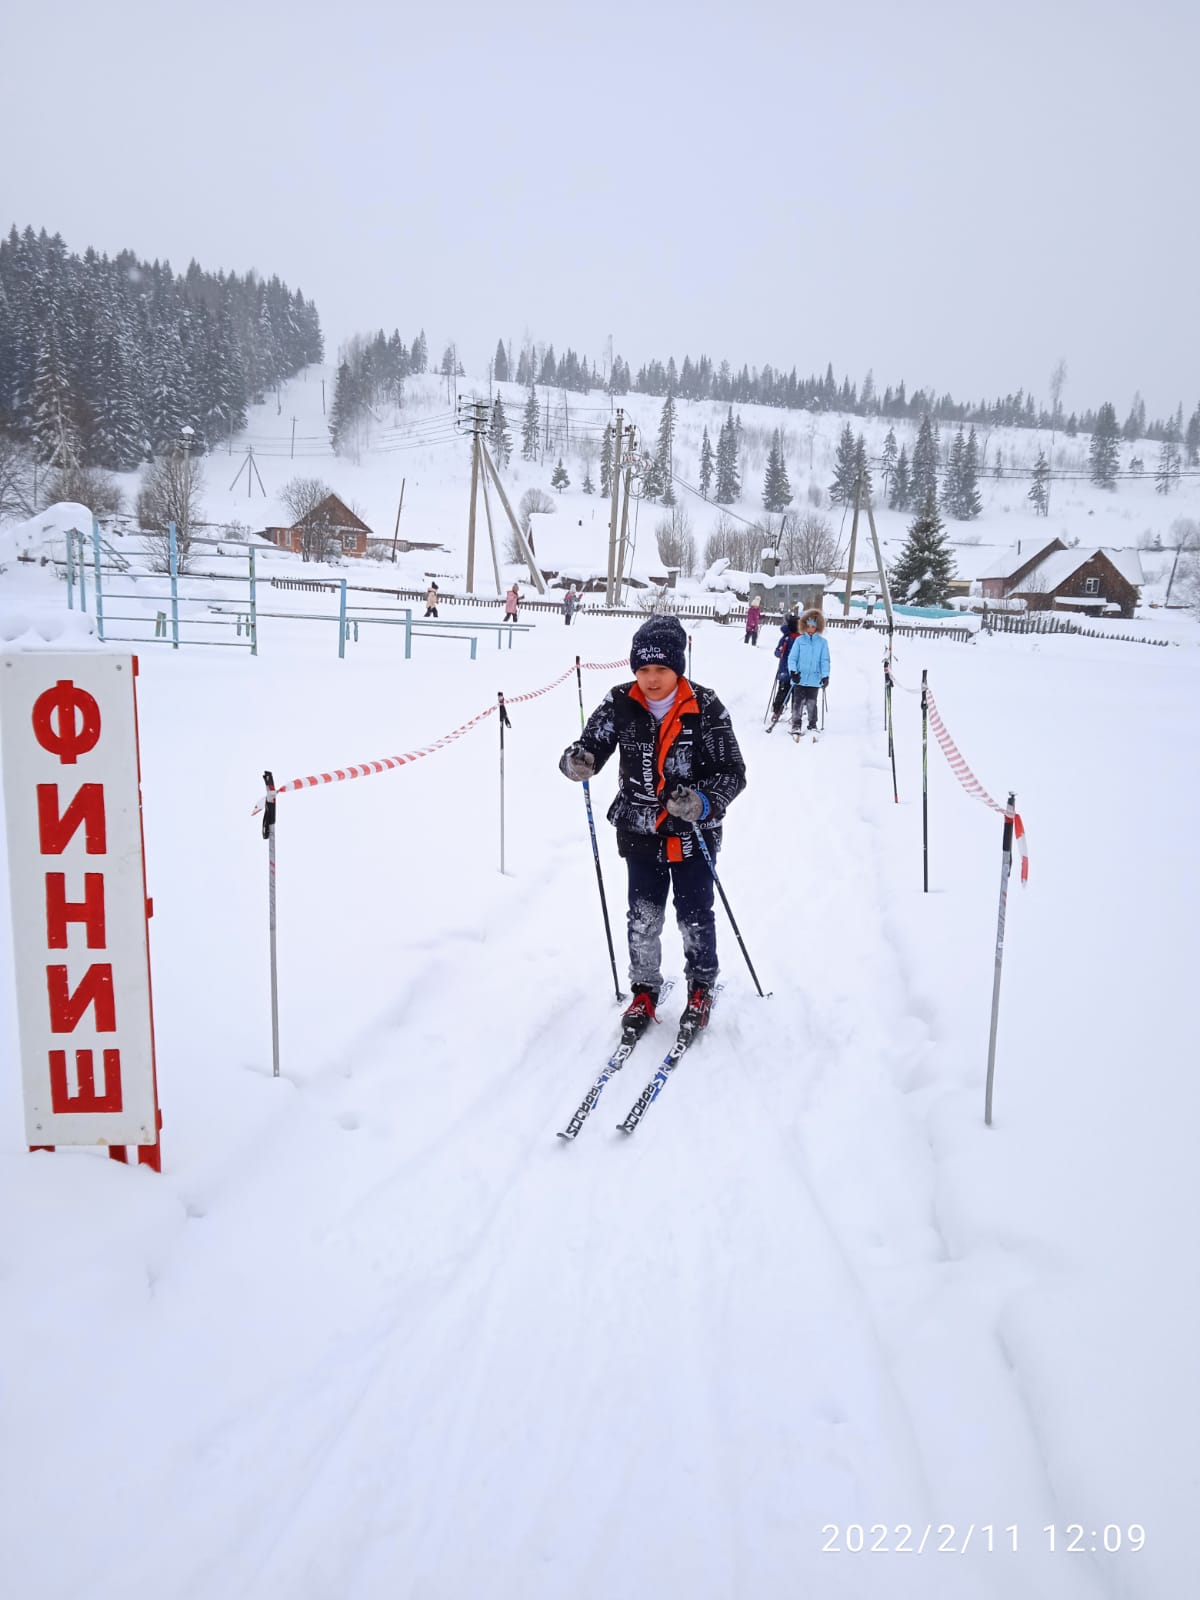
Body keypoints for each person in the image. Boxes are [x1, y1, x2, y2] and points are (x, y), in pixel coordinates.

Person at [559, 614, 746, 1035]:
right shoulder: (619, 701)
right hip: (639, 829)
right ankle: (644, 990)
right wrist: (578, 761)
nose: (650, 679)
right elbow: (588, 747)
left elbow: (733, 772)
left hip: (692, 831)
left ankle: (701, 986)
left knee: (694, 912)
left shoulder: (705, 706)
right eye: (642, 669)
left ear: (677, 667)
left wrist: (702, 802)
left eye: (660, 669)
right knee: (642, 916)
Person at [787, 608, 830, 739]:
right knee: (797, 703)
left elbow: (825, 660)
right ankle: (796, 724)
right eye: (808, 626)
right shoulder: (799, 641)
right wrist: (793, 672)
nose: (810, 629)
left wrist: (825, 675)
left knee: (812, 703)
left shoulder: (822, 643)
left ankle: (812, 724)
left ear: (818, 627)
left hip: (814, 679)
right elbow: (792, 658)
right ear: (804, 626)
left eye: (813, 626)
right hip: (799, 678)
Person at [768, 612, 801, 725]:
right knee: (783, 691)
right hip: (785, 670)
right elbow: (777, 652)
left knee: (797, 694)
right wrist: (780, 651)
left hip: (797, 670)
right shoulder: (786, 638)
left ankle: (796, 714)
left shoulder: (802, 639)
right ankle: (777, 711)